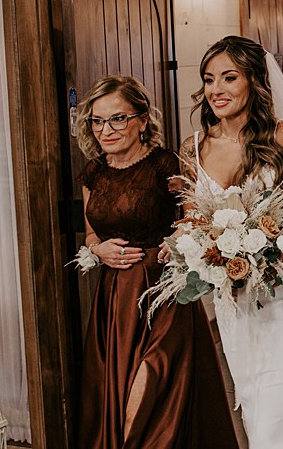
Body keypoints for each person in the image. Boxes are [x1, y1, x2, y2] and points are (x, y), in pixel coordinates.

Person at [170, 35, 283, 449]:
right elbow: (193, 221)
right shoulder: (192, 148)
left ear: (253, 81)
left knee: (276, 411)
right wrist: (194, 248)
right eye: (209, 79)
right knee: (252, 402)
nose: (216, 90)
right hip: (235, 306)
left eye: (229, 78)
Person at [75, 74, 238, 449]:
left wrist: (179, 239)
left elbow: (197, 219)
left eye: (118, 118)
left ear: (143, 120)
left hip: (165, 294)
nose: (106, 130)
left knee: (149, 388)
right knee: (116, 395)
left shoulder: (168, 165)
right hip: (115, 302)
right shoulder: (93, 173)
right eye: (97, 121)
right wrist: (98, 250)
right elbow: (91, 235)